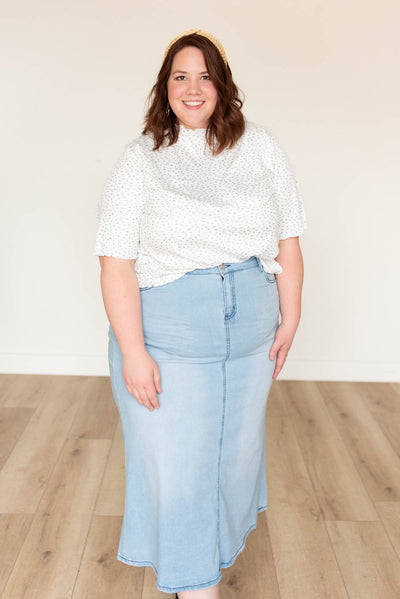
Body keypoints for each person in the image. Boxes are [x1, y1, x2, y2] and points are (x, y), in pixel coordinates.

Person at [94, 28, 307, 599]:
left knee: (232, 464)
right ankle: (198, 586)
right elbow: (115, 263)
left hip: (249, 337)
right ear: (165, 89)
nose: (193, 88)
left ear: (222, 85)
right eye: (180, 77)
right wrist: (134, 353)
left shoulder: (260, 147)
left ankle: (207, 564)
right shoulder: (141, 160)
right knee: (181, 470)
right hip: (169, 337)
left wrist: (290, 319)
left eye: (204, 76)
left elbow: (288, 240)